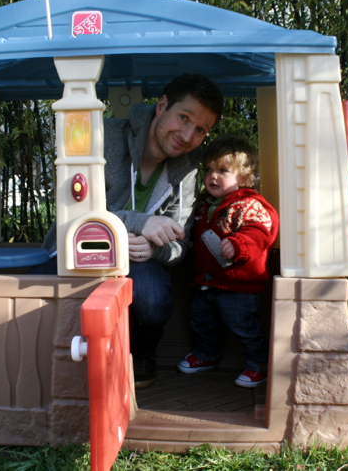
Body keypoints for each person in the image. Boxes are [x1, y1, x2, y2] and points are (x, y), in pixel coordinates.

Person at [33, 73, 224, 388]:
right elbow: (75, 212)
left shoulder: (190, 166)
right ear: (162, 106)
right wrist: (138, 223)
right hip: (79, 248)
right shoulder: (103, 136)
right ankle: (44, 364)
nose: (188, 135)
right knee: (33, 286)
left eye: (201, 129)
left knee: (151, 299)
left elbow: (181, 243)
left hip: (137, 260)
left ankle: (142, 353)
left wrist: (155, 249)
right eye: (184, 117)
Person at [177, 135, 279, 388]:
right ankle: (206, 355)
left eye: (223, 170)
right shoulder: (204, 203)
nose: (213, 176)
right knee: (201, 321)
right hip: (207, 280)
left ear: (243, 177)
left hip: (239, 285)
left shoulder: (249, 205)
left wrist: (238, 244)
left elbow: (260, 232)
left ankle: (258, 365)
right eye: (208, 169)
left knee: (244, 326)